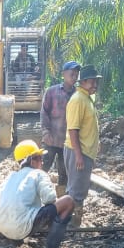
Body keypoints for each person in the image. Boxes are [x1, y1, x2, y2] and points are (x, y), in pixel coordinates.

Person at [0, 140, 75, 248]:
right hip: (22, 228)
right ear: (31, 161)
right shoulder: (38, 174)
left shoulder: (11, 176)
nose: (41, 162)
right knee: (68, 201)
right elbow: (50, 198)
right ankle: (52, 247)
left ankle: (16, 239)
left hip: (3, 227)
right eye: (39, 158)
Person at [63, 65, 102, 228]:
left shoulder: (87, 98)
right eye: (92, 82)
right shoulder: (78, 99)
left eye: (96, 82)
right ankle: (71, 224)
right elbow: (73, 129)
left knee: (77, 188)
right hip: (79, 151)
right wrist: (79, 155)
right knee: (77, 191)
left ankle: (69, 221)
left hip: (84, 151)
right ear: (83, 82)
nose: (95, 85)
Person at [40, 60, 80, 198]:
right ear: (64, 74)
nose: (74, 77)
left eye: (76, 74)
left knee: (64, 173)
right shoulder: (52, 92)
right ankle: (37, 195)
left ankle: (61, 201)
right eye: (72, 74)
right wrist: (45, 131)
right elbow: (44, 112)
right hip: (51, 139)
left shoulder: (78, 95)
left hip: (68, 143)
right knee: (42, 168)